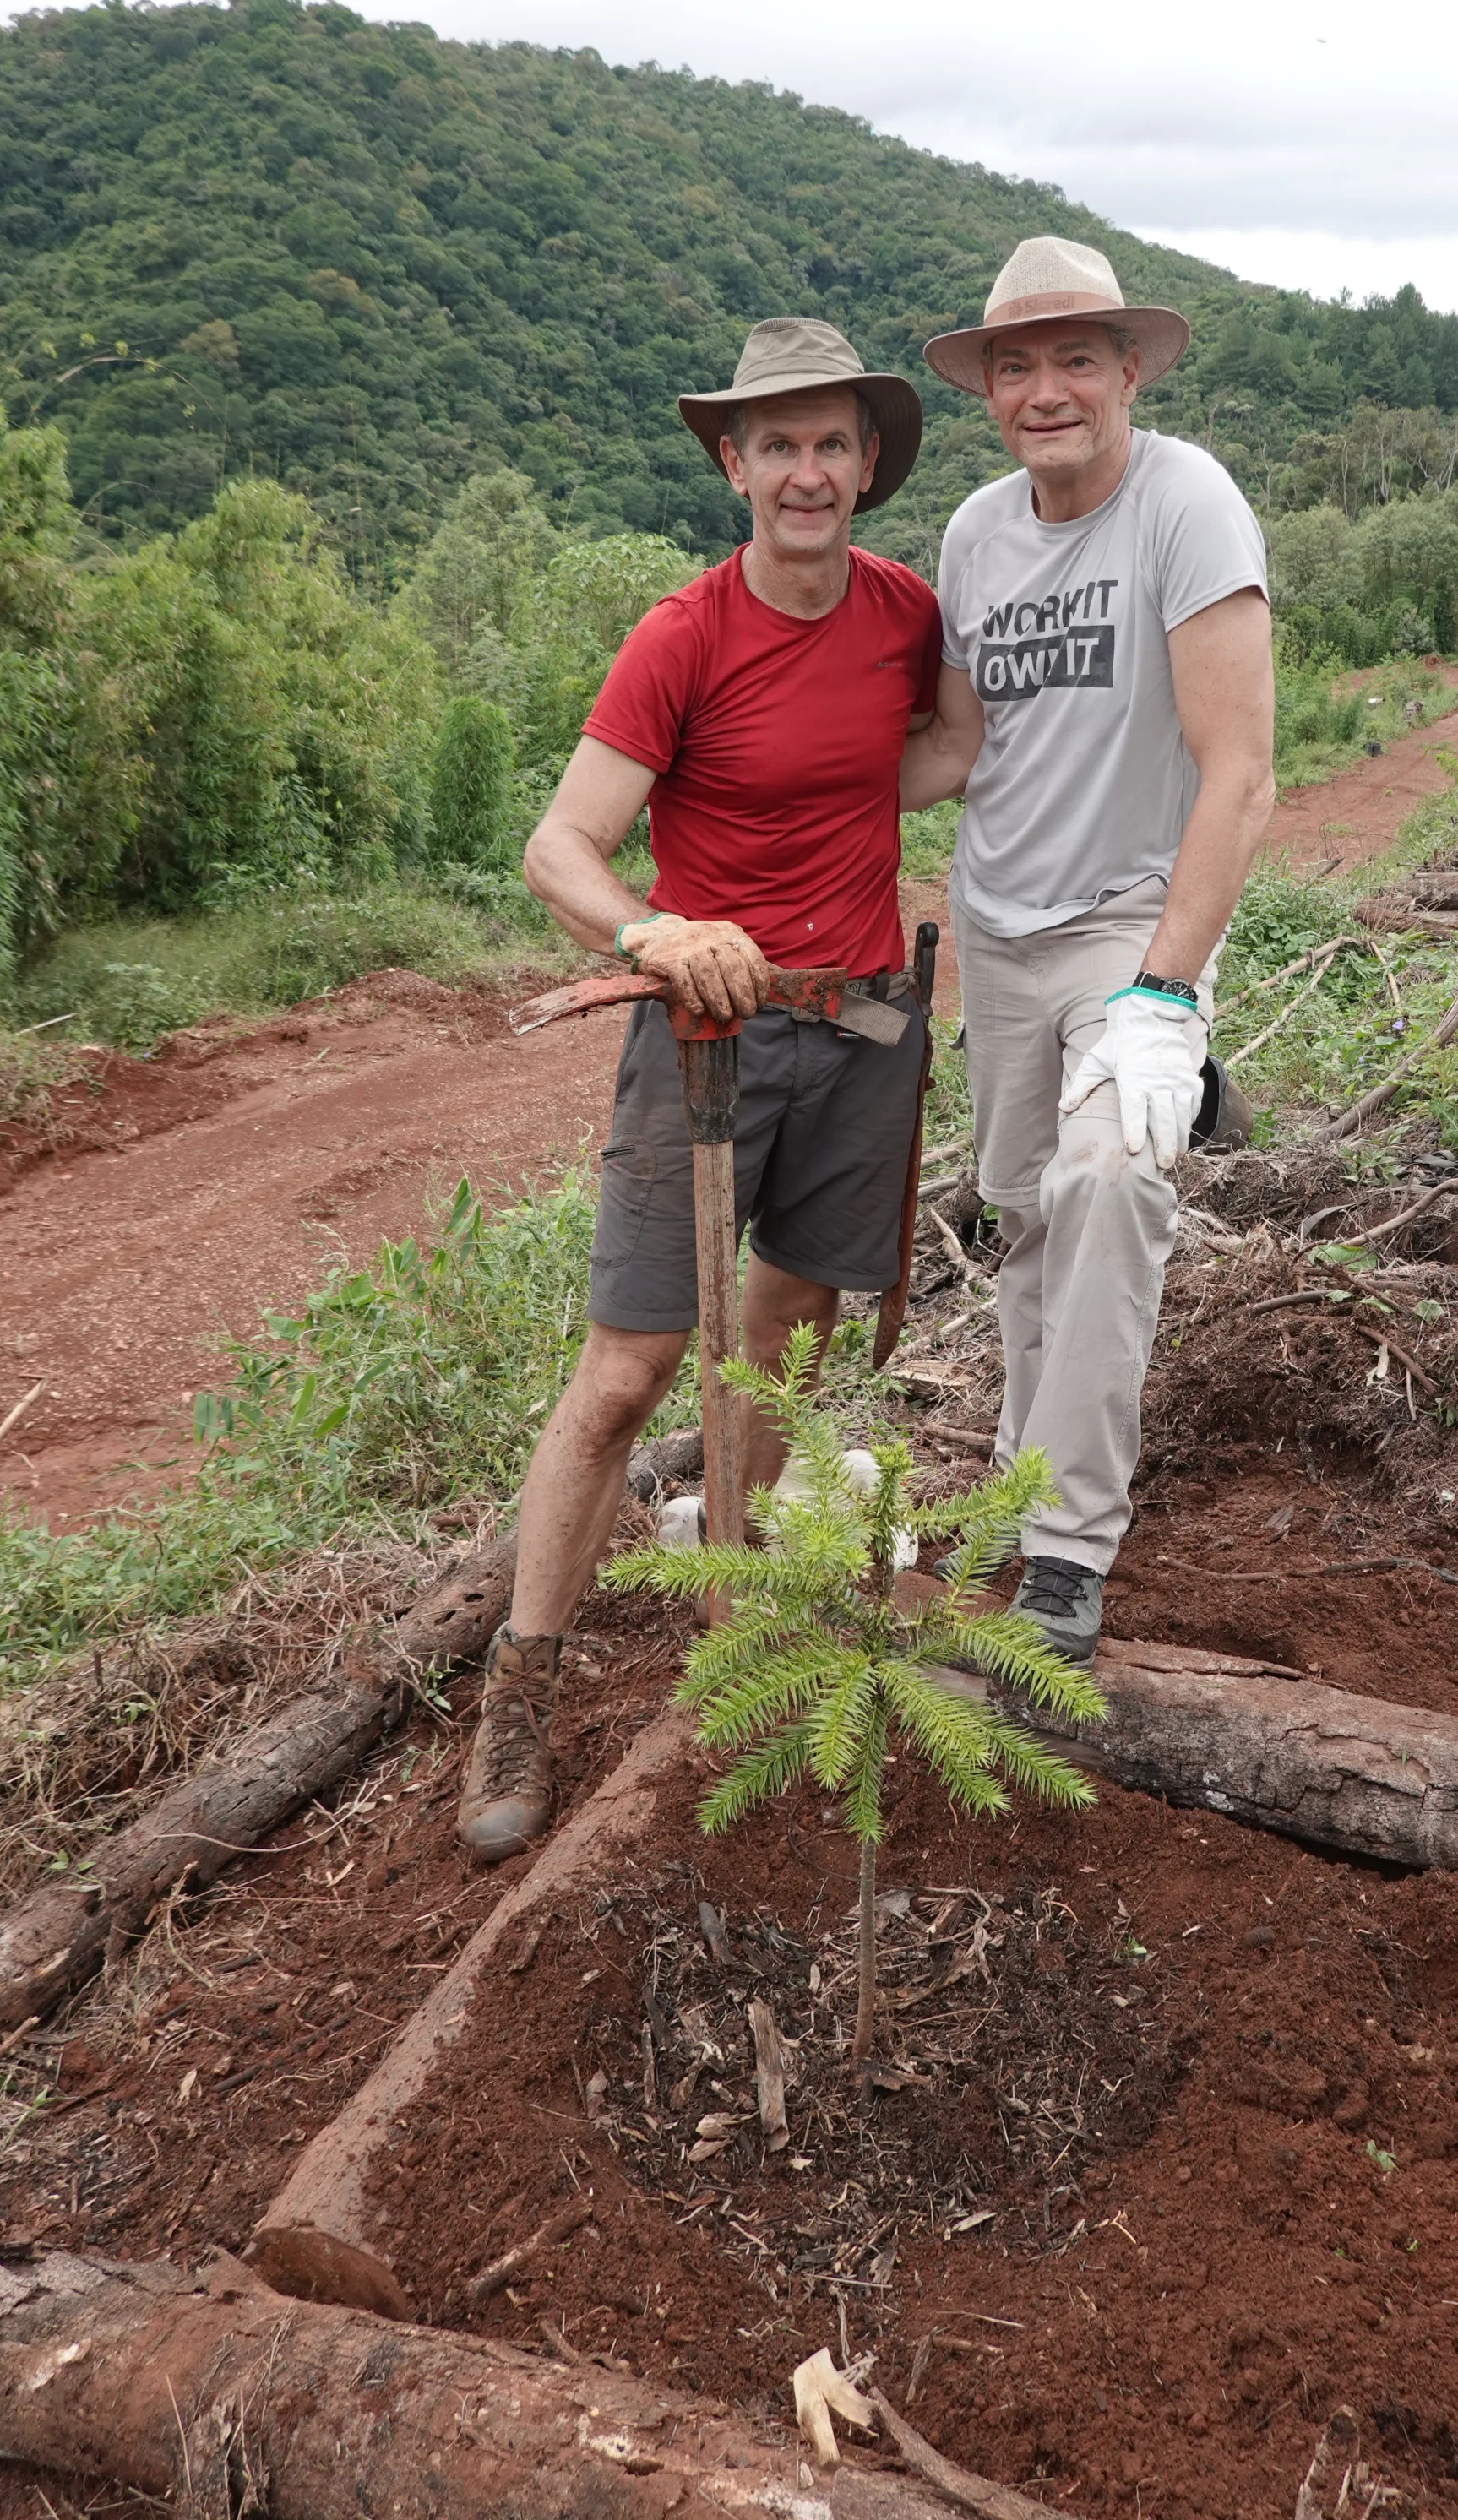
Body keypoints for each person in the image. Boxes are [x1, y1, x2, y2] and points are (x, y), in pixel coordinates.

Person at [458, 317, 942, 1862]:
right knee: (629, 1371)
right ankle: (519, 1692)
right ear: (734, 464)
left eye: (833, 444)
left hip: (863, 1025)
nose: (808, 472)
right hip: (703, 1039)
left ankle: (734, 1624)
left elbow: (925, 758)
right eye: (778, 445)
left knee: (782, 1345)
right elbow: (560, 849)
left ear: (869, 465)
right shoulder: (682, 636)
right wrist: (657, 928)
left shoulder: (905, 614)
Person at [901, 237, 1276, 1665]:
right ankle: (1015, 1477)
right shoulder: (976, 536)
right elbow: (955, 743)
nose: (1044, 388)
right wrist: (778, 791)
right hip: (998, 931)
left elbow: (1237, 771)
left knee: (1112, 1179)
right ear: (988, 389)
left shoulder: (1188, 505)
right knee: (1025, 1226)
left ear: (1128, 368)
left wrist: (1167, 994)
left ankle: (1064, 1549)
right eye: (1015, 365)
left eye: (1074, 358)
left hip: (1133, 924)